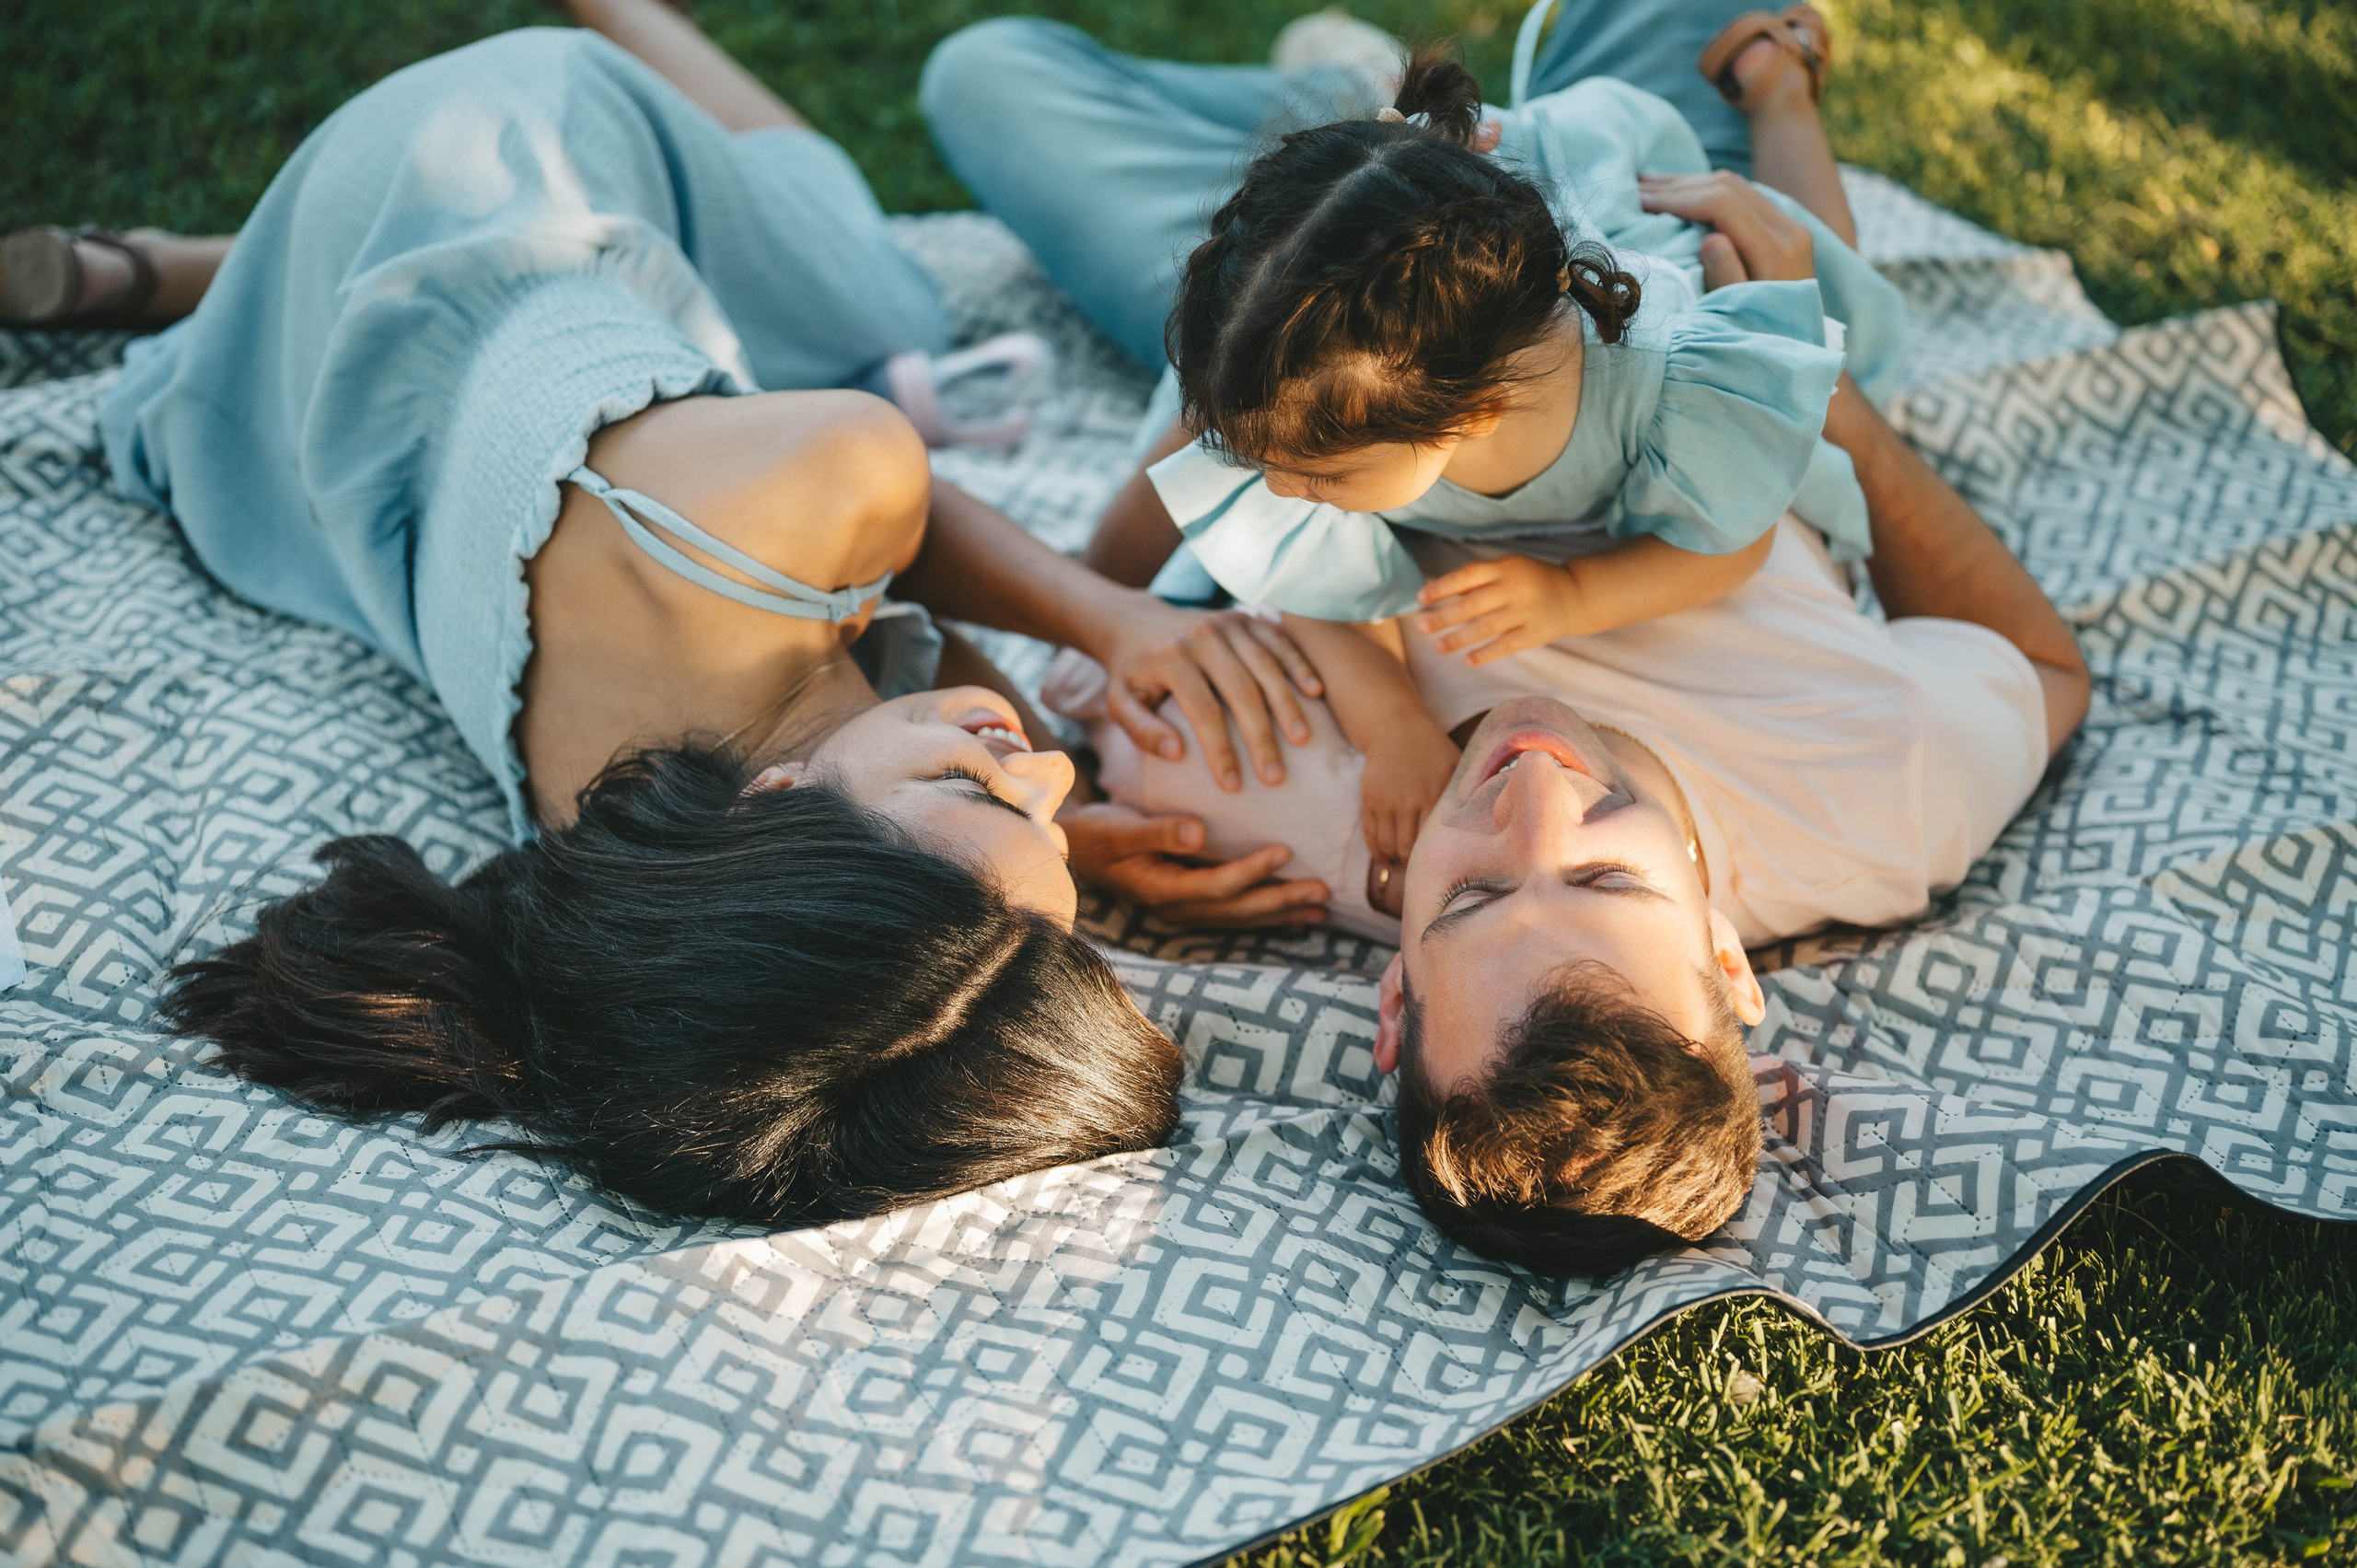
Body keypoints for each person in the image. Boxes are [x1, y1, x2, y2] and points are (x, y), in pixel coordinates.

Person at [3, 0, 1358, 1230]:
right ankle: (198, 277)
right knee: (853, 294)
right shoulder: (622, 853)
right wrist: (1025, 864)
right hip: (340, 384)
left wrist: (1114, 621)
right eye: (1048, 828)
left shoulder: (820, 479)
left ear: (771, 808)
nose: (1054, 761)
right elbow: (853, 917)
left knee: (872, 280)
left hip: (493, 151)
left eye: (988, 780)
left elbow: (905, 512)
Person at [937, 5, 2092, 1274]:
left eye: (1474, 891)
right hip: (1650, 228)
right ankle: (1739, 93)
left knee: (984, 71)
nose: (1531, 790)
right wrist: (1824, 392)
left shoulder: (1283, 813)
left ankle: (1359, 115)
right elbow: (2045, 670)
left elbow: (1099, 639)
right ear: (1724, 963)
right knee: (1718, 42)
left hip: (1332, 341)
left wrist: (1069, 835)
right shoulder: (1883, 794)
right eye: (1607, 877)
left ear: (1392, 998)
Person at [923, 6, 1907, 868]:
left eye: (1316, 474)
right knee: (979, 71)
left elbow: (1725, 544)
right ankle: (1348, 78)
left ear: (1472, 415)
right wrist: (1382, 715)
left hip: (1651, 204)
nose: (1278, 487)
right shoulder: (1307, 391)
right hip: (1434, 222)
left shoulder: (1680, 392)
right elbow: (1300, 568)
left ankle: (1778, 93)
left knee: (1827, 306)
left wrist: (1576, 594)